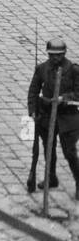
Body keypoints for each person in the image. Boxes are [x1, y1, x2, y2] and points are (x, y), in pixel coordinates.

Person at [27, 38, 79, 198]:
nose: (56, 58)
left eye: (59, 55)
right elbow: (33, 92)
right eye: (52, 55)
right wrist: (33, 111)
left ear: (64, 54)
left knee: (69, 152)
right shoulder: (42, 69)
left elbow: (78, 93)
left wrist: (65, 97)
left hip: (67, 116)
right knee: (48, 149)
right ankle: (51, 178)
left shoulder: (74, 70)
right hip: (47, 114)